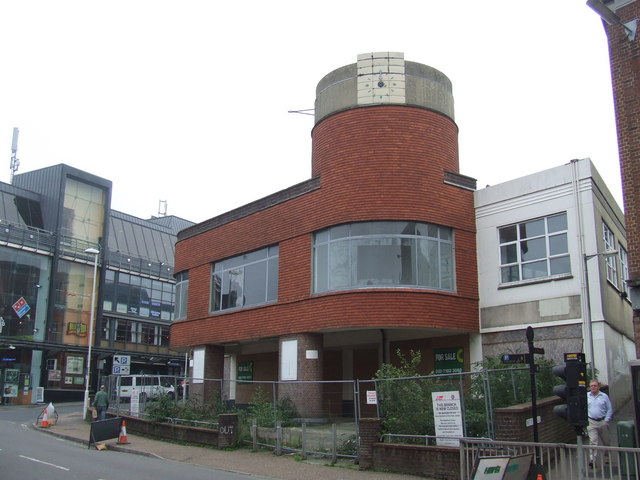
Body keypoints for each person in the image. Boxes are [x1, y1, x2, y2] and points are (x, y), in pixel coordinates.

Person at [587, 379, 613, 467]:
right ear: (589, 387)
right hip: (591, 422)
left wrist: (606, 420)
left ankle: (607, 457)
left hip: (602, 421)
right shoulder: (586, 396)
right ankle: (592, 460)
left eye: (595, 385)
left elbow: (609, 409)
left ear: (598, 387)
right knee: (593, 441)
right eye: (591, 386)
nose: (593, 387)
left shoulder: (604, 396)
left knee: (606, 442)